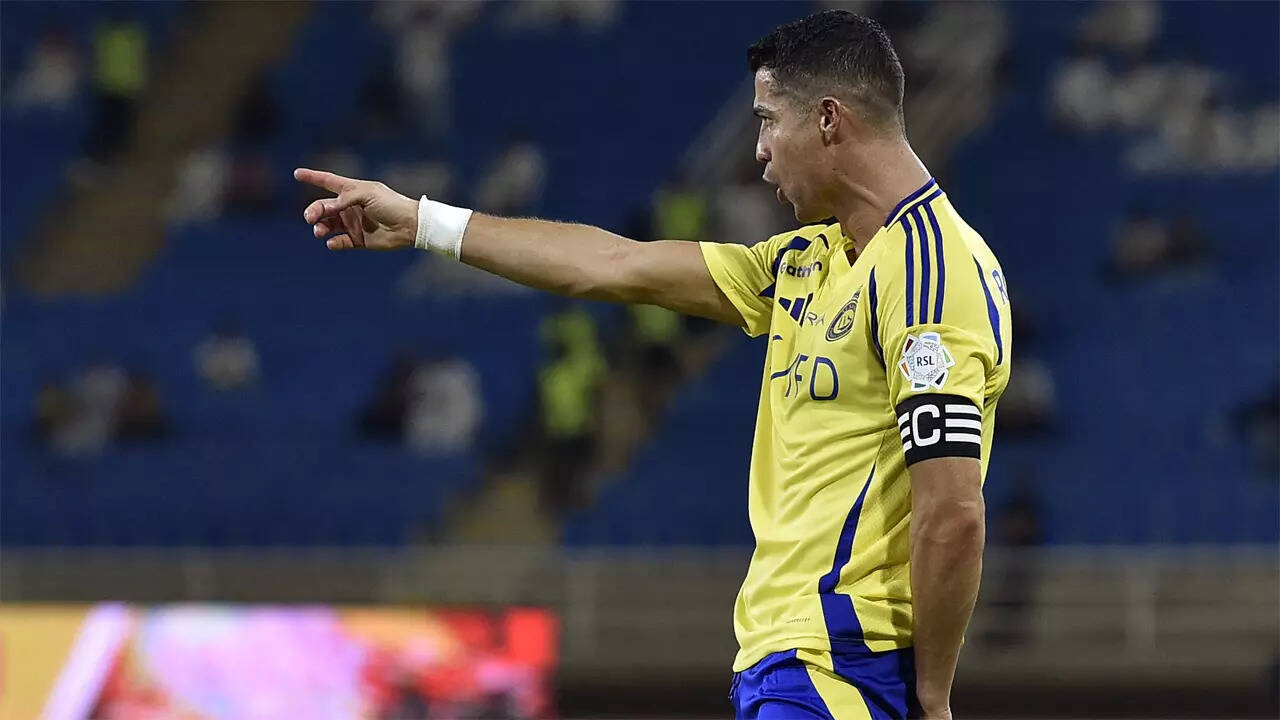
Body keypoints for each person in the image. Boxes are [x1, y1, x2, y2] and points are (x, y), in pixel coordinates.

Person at [295, 11, 1010, 719]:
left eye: (768, 121)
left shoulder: (929, 273)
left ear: (828, 119)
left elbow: (952, 510)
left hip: (848, 668)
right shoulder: (807, 262)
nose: (759, 151)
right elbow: (615, 264)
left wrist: (933, 696)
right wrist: (424, 221)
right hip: (792, 665)